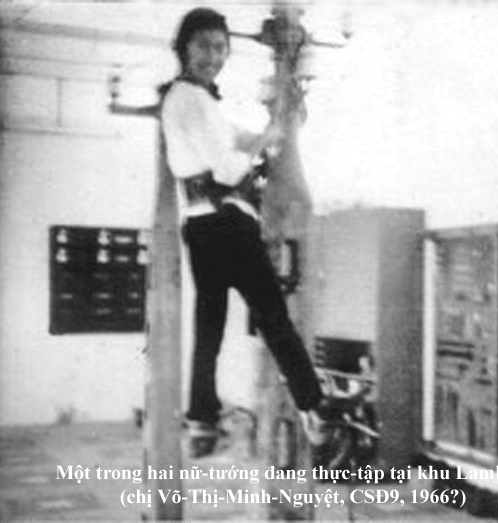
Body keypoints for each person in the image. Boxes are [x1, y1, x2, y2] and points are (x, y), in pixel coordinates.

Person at [159, 7, 331, 458]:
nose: (212, 56)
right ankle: (313, 405)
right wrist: (259, 151)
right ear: (183, 48)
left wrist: (268, 133)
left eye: (220, 47)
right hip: (228, 225)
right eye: (203, 45)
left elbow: (237, 138)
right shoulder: (190, 99)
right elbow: (227, 166)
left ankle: (201, 420)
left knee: (210, 326)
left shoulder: (197, 101)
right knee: (273, 317)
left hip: (202, 225)